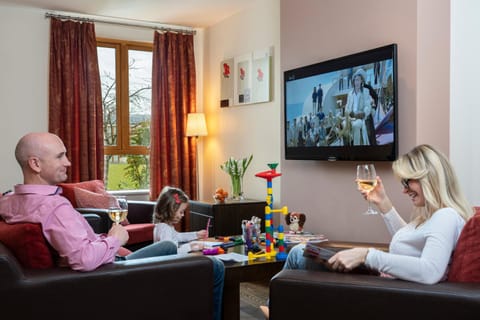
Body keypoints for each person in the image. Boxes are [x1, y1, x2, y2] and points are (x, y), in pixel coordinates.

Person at [0, 132, 224, 320]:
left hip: (100, 266)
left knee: (167, 247)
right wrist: (115, 238)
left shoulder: (9, 201)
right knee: (214, 265)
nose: (68, 162)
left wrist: (104, 240)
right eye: (60, 156)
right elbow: (85, 259)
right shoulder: (55, 208)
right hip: (107, 275)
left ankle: (174, 285)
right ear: (35, 164)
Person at [282, 144, 473, 285]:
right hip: (387, 283)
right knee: (303, 251)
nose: (404, 191)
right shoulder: (434, 217)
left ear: (428, 179)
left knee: (300, 253)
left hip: (387, 290)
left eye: (408, 182)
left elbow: (430, 271)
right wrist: (383, 203)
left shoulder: (446, 216)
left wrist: (367, 256)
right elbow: (407, 242)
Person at [153, 186, 208, 254]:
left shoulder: (164, 226)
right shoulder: (165, 229)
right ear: (171, 210)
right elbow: (168, 253)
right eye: (181, 212)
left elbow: (178, 236)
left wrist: (196, 234)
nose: (183, 215)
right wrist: (189, 247)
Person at [344, 68, 374, 145]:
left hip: (360, 117)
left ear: (361, 81)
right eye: (355, 80)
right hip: (351, 117)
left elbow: (368, 106)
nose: (357, 82)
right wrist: (350, 112)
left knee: (356, 125)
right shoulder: (350, 94)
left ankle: (356, 147)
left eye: (358, 80)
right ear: (353, 82)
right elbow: (346, 108)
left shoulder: (365, 91)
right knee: (343, 124)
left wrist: (363, 114)